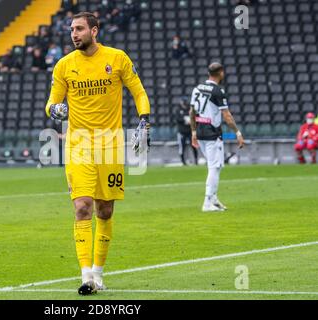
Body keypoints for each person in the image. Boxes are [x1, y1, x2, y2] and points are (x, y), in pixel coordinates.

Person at [45, 12, 150, 295]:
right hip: (78, 144)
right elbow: (51, 103)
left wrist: (143, 119)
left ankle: (100, 274)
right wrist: (55, 110)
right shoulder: (64, 65)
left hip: (111, 144)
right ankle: (86, 275)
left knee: (105, 209)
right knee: (82, 207)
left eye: (79, 29)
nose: (74, 34)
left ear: (94, 30)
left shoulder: (117, 58)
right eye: (71, 30)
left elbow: (138, 91)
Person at [189, 62, 245, 212]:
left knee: (216, 166)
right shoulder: (218, 91)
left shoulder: (197, 89)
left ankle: (213, 198)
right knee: (214, 167)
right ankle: (207, 202)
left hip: (200, 131)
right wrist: (238, 132)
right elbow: (226, 115)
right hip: (212, 132)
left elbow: (192, 112)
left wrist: (193, 132)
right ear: (220, 72)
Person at [176, 96, 198, 165]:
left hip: (190, 132)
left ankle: (196, 160)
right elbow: (178, 119)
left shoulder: (190, 109)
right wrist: (186, 120)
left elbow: (195, 118)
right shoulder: (178, 110)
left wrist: (191, 121)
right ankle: (183, 161)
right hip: (182, 132)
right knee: (182, 147)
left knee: (194, 146)